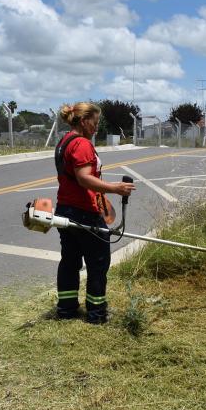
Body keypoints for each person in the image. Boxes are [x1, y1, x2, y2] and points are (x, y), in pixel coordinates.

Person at [54, 102, 135, 323]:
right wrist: (115, 188)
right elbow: (83, 178)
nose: (97, 127)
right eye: (95, 122)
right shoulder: (81, 144)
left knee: (69, 261)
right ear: (83, 120)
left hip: (65, 209)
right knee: (98, 263)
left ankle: (67, 309)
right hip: (83, 212)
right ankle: (96, 314)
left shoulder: (64, 141)